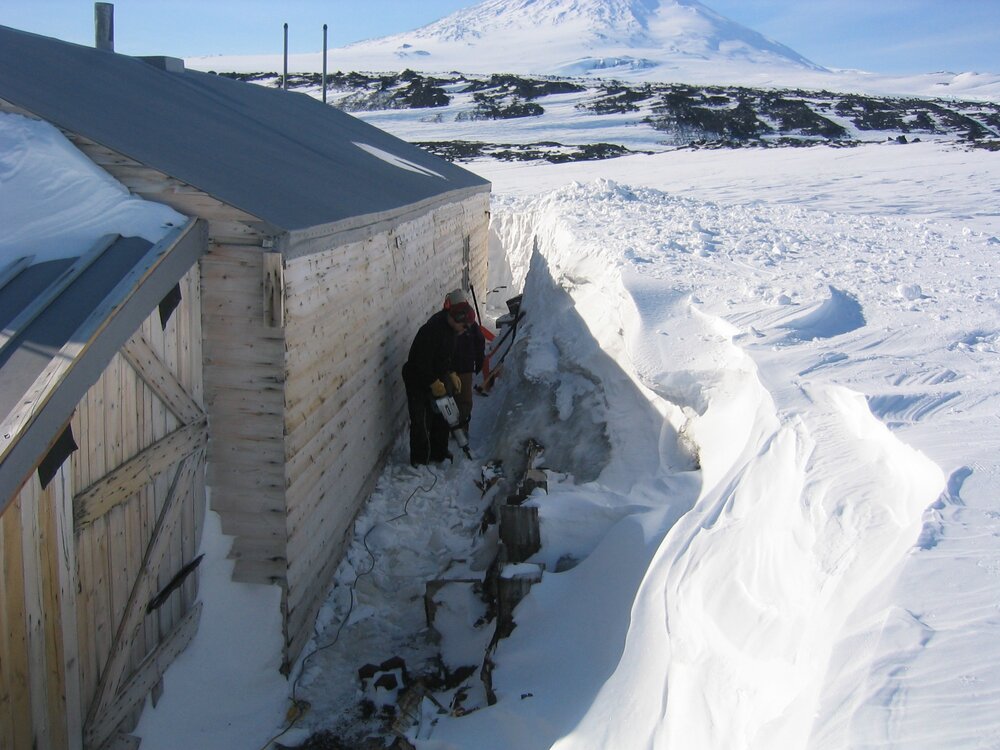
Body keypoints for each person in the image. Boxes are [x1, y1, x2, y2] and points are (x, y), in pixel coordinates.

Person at [401, 294, 474, 466]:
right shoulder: (432, 330)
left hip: (436, 374)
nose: (464, 329)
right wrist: (432, 382)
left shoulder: (452, 330)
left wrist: (451, 372)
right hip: (417, 378)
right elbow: (420, 361)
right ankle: (420, 460)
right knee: (422, 420)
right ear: (455, 318)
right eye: (463, 325)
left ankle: (438, 453)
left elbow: (444, 357)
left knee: (442, 415)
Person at [449, 290, 486, 431]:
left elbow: (479, 341)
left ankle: (462, 430)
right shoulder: (449, 323)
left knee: (464, 401)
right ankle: (450, 430)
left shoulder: (471, 325)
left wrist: (479, 359)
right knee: (451, 401)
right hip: (449, 368)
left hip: (465, 368)